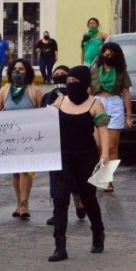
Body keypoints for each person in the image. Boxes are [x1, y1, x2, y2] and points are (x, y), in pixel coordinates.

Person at [48, 66, 109, 261]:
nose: (71, 84)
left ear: (84, 83)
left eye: (75, 81)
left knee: (88, 197)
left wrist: (105, 154)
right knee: (61, 199)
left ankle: (98, 233)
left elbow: (103, 130)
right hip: (62, 156)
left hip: (86, 156)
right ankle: (60, 246)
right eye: (69, 81)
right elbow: (40, 122)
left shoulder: (96, 104)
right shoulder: (60, 101)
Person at [0, 58, 43, 220]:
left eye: (21, 69)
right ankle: (19, 201)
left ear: (27, 72)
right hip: (10, 138)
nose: (17, 72)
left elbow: (43, 114)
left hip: (29, 137)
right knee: (16, 172)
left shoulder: (34, 91)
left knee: (25, 170)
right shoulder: (4, 91)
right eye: (14, 69)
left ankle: (24, 203)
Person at [90, 43, 132, 193]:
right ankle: (97, 175)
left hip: (114, 104)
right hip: (97, 104)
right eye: (105, 54)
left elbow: (126, 94)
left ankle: (108, 179)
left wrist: (129, 116)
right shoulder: (93, 71)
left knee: (113, 147)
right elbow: (88, 92)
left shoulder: (121, 72)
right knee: (97, 145)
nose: (108, 57)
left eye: (111, 55)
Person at [40, 66, 79, 226]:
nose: (59, 76)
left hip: (72, 141)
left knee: (75, 174)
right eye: (56, 74)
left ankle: (78, 199)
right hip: (53, 142)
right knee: (54, 178)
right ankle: (57, 211)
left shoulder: (77, 95)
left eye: (63, 74)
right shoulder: (47, 97)